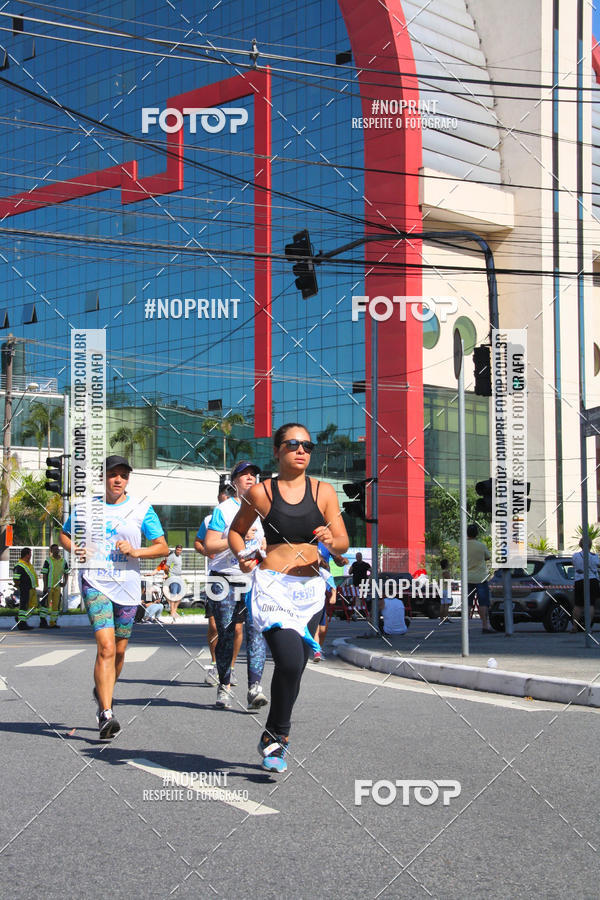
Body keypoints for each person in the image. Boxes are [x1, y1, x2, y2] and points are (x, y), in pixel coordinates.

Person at [228, 423, 349, 773]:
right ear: (278, 451)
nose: (302, 450)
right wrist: (241, 555)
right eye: (293, 444)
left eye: (307, 446)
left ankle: (271, 736)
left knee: (295, 669)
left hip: (310, 591)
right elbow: (236, 532)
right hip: (272, 587)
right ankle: (278, 736)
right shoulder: (262, 493)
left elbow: (342, 541)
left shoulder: (324, 491)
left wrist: (331, 537)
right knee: (290, 661)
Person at [60, 455, 168, 740]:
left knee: (119, 651)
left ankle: (104, 691)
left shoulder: (141, 509)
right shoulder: (85, 508)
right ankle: (106, 712)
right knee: (106, 647)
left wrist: (136, 552)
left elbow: (162, 547)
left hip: (127, 586)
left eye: (123, 475)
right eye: (112, 474)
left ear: (128, 480)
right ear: (104, 478)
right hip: (95, 581)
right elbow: (64, 535)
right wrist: (77, 550)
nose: (118, 479)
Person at [204, 462, 268, 711]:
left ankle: (255, 687)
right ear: (234, 482)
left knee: (256, 631)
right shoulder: (223, 510)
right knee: (226, 634)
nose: (250, 478)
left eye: (254, 474)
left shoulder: (265, 510)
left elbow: (269, 545)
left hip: (254, 579)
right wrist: (237, 538)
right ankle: (225, 685)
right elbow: (209, 546)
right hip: (224, 578)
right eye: (244, 475)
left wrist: (263, 546)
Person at [194, 486, 237, 685]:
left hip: (240, 576)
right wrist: (206, 551)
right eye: (222, 499)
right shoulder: (210, 519)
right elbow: (198, 542)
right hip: (217, 577)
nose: (225, 501)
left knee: (236, 628)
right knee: (214, 625)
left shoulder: (246, 517)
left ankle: (231, 668)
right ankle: (215, 663)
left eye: (228, 497)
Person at [313, 541, 348, 661]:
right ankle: (315, 651)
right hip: (307, 586)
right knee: (314, 626)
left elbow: (337, 558)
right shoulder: (302, 540)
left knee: (323, 628)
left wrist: (341, 560)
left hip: (324, 588)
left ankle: (318, 648)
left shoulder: (325, 542)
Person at [466, 523, 494, 633]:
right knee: (483, 602)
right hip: (481, 578)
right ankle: (485, 626)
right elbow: (488, 557)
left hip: (467, 577)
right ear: (477, 534)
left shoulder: (462, 545)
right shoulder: (481, 546)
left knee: (468, 602)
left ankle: (466, 627)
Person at [571, 539, 599, 633]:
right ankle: (588, 627)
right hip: (592, 580)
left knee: (578, 605)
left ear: (580, 545)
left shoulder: (576, 556)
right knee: (590, 604)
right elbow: (597, 565)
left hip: (579, 580)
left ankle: (575, 626)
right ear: (590, 545)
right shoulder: (595, 557)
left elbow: (574, 565)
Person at [41, 544, 69, 629]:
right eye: (54, 549)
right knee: (45, 605)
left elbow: (66, 572)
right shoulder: (48, 561)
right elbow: (44, 574)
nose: (56, 551)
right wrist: (45, 586)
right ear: (51, 551)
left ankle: (53, 622)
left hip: (57, 587)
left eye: (57, 549)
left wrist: (65, 582)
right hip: (49, 586)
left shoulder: (63, 561)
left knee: (56, 606)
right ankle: (43, 622)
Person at [13, 548, 41, 631]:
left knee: (34, 606)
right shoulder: (19, 565)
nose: (31, 555)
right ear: (27, 555)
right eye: (30, 554)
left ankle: (20, 619)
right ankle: (22, 623)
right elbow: (16, 578)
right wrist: (19, 586)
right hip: (25, 588)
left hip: (32, 588)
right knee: (24, 606)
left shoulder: (28, 564)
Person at [439, 557, 452, 623]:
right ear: (446, 565)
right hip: (446, 589)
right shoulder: (446, 572)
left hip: (441, 589)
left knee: (442, 604)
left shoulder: (440, 572)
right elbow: (449, 580)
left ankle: (441, 618)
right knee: (446, 605)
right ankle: (446, 619)